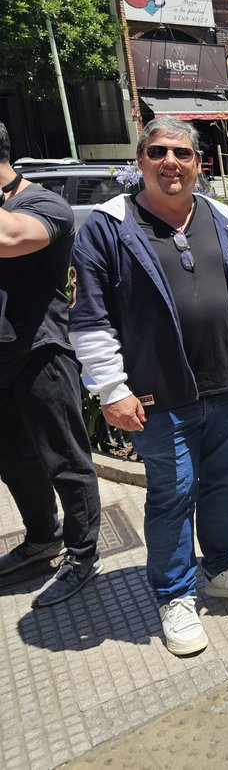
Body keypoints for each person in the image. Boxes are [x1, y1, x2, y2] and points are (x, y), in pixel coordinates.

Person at [71, 118, 228, 655]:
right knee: (172, 495)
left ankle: (222, 565)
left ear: (198, 163)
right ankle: (174, 594)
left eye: (182, 154)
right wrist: (110, 389)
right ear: (139, 161)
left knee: (221, 485)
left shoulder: (226, 218)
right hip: (157, 395)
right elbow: (90, 318)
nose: (171, 162)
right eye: (158, 151)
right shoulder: (108, 225)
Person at [0, 121, 102, 609]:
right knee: (14, 460)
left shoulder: (42, 204)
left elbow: (11, 240)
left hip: (41, 352)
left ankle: (83, 555)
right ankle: (42, 538)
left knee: (65, 459)